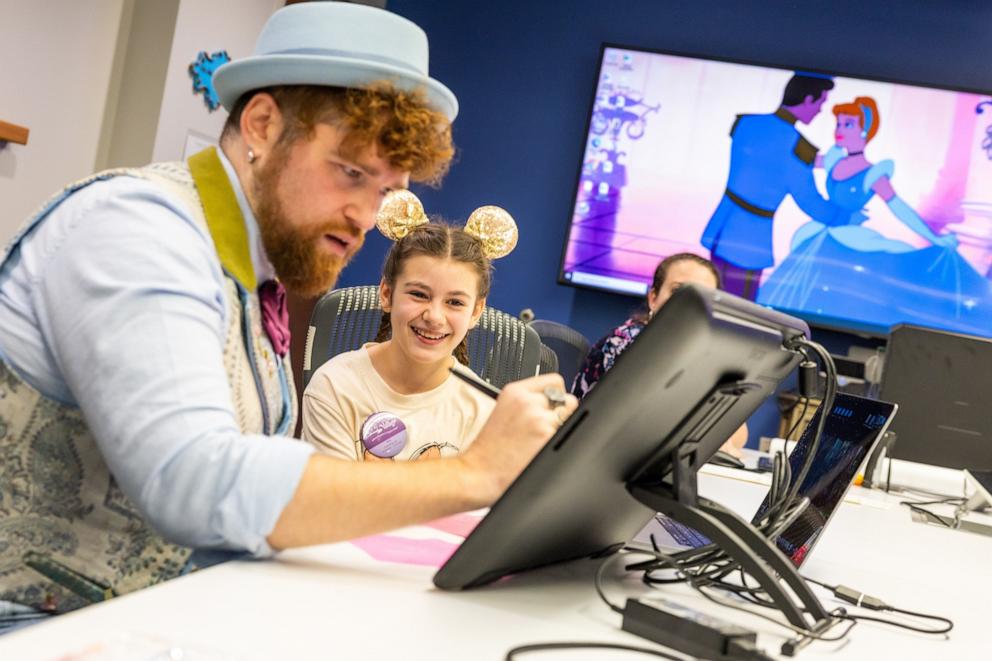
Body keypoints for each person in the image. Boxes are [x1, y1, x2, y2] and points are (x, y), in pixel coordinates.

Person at [0, 3, 576, 617]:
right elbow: (195, 483)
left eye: (384, 190)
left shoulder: (253, 274)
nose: (365, 216)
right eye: (351, 172)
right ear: (263, 124)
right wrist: (477, 474)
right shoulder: (136, 230)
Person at [302, 198, 517, 462]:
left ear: (475, 312)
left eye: (454, 302)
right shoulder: (335, 387)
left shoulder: (483, 412)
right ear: (387, 293)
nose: (434, 316)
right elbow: (332, 500)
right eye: (418, 294)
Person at [757, 97, 992, 333]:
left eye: (848, 124)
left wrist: (935, 239)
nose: (839, 130)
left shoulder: (872, 173)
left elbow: (899, 207)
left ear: (865, 130)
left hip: (850, 242)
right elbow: (794, 158)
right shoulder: (833, 159)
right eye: (838, 123)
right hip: (820, 238)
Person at [571, 253, 748, 455]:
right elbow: (633, 427)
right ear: (653, 298)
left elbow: (738, 434)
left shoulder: (705, 354)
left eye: (704, 296)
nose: (691, 302)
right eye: (678, 291)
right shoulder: (625, 342)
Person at [700, 73, 858, 301]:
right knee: (736, 314)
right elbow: (809, 201)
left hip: (722, 227)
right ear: (808, 100)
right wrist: (845, 217)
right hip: (749, 240)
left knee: (707, 300)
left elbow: (767, 160)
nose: (820, 110)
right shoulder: (797, 147)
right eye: (821, 103)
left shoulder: (746, 123)